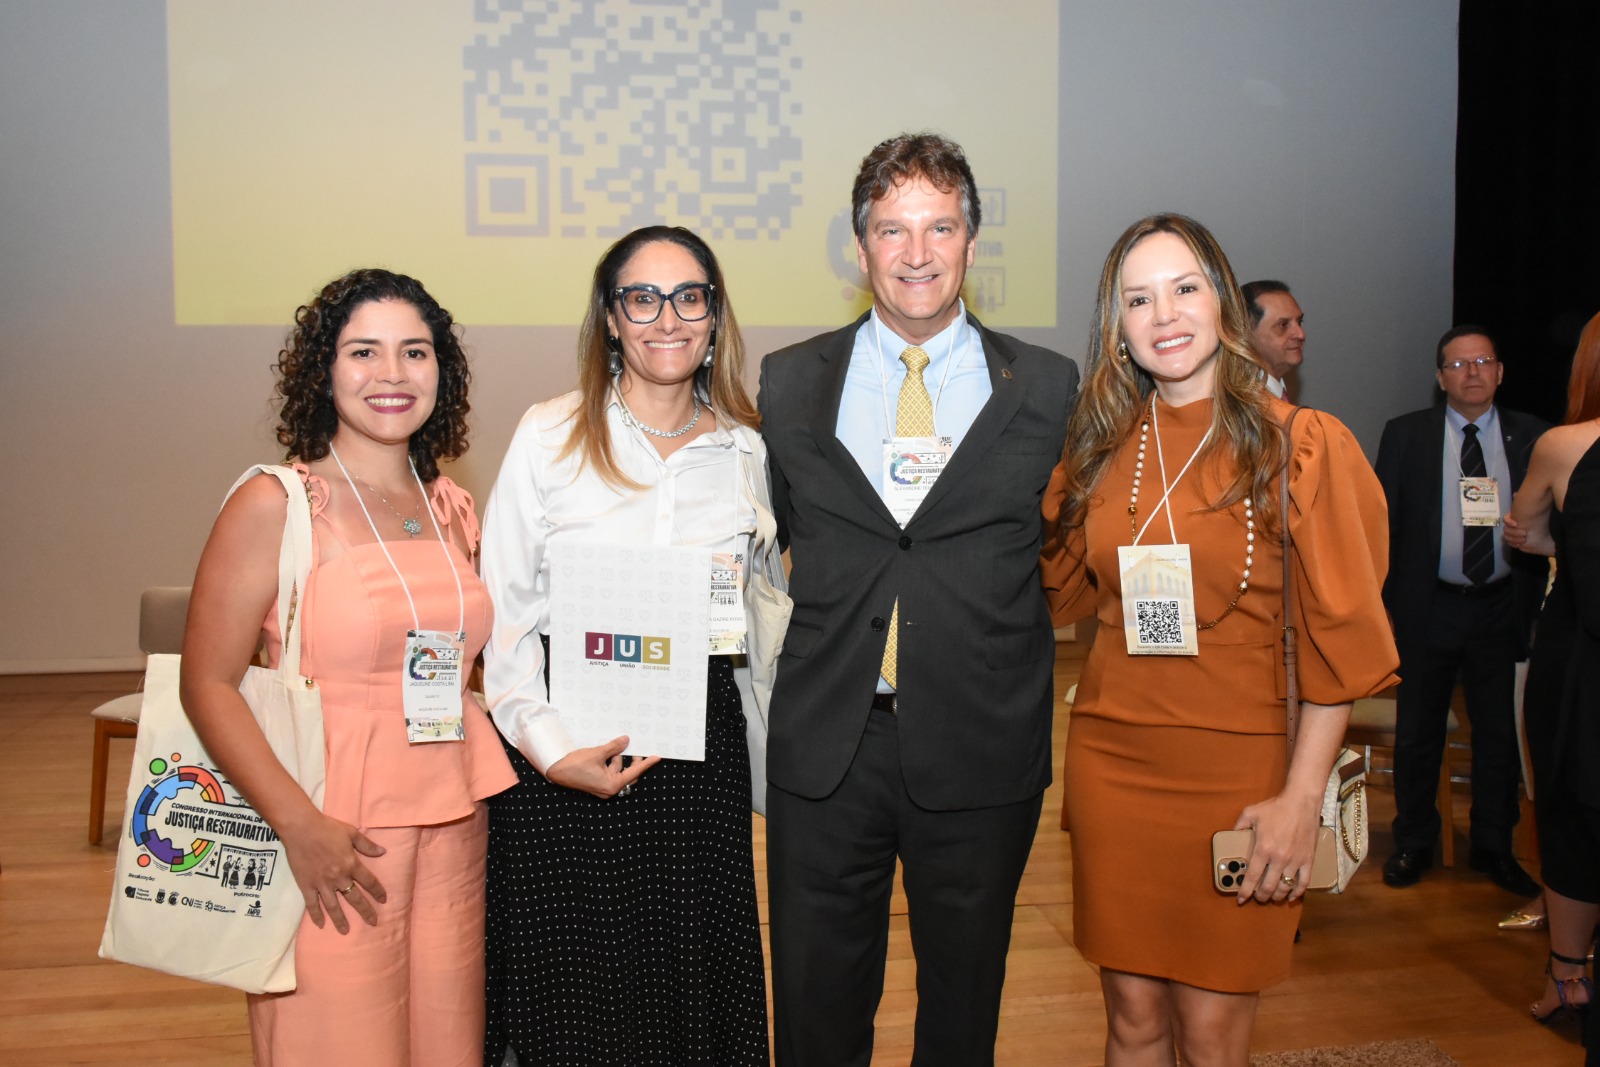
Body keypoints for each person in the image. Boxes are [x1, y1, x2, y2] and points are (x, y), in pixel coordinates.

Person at [1041, 213, 1397, 1066]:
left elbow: (1338, 650)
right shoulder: (1101, 452)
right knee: (1129, 1020)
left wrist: (1299, 801)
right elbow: (1057, 593)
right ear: (1116, 326)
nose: (1164, 313)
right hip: (1114, 766)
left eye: (1185, 287)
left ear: (1223, 306)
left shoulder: (1299, 446)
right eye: (1138, 298)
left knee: (1211, 1032)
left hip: (1243, 779)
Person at [757, 132, 1078, 1066]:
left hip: (980, 747)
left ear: (972, 242)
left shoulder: (1047, 386)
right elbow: (780, 538)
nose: (917, 252)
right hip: (827, 748)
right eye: (892, 230)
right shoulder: (788, 382)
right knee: (815, 1009)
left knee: (963, 1011)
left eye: (940, 226)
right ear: (859, 249)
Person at [181, 268, 517, 1065]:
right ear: (323, 371)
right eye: (363, 351)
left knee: (448, 1045)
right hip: (332, 835)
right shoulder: (277, 503)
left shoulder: (448, 507)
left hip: (455, 825)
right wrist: (299, 826)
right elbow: (207, 682)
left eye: (416, 352)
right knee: (336, 1045)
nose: (392, 374)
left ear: (444, 371)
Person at [479, 225, 771, 1066]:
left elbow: (754, 620)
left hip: (697, 763)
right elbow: (505, 619)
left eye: (690, 296)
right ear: (611, 317)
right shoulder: (550, 435)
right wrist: (548, 748)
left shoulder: (745, 450)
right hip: (565, 759)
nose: (666, 318)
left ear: (715, 315)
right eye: (641, 297)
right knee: (576, 1006)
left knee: (692, 996)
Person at [1374, 325, 1551, 895]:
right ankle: (1414, 843)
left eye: (1482, 362)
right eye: (1458, 364)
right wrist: (1386, 606)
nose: (1471, 373)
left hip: (1500, 606)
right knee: (1419, 732)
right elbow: (1386, 526)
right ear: (1440, 377)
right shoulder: (1406, 435)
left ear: (1500, 372)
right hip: (1429, 605)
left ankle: (1495, 847)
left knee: (1498, 734)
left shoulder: (1535, 437)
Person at [1504, 311, 1600, 1030]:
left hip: (1582, 664)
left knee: (1571, 816)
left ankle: (1568, 981)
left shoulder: (1567, 445)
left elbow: (1526, 531)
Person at [1241, 280, 1305, 399]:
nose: (1301, 334)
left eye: (1299, 322)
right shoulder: (1241, 407)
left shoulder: (1278, 398)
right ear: (1246, 333)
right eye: (1284, 325)